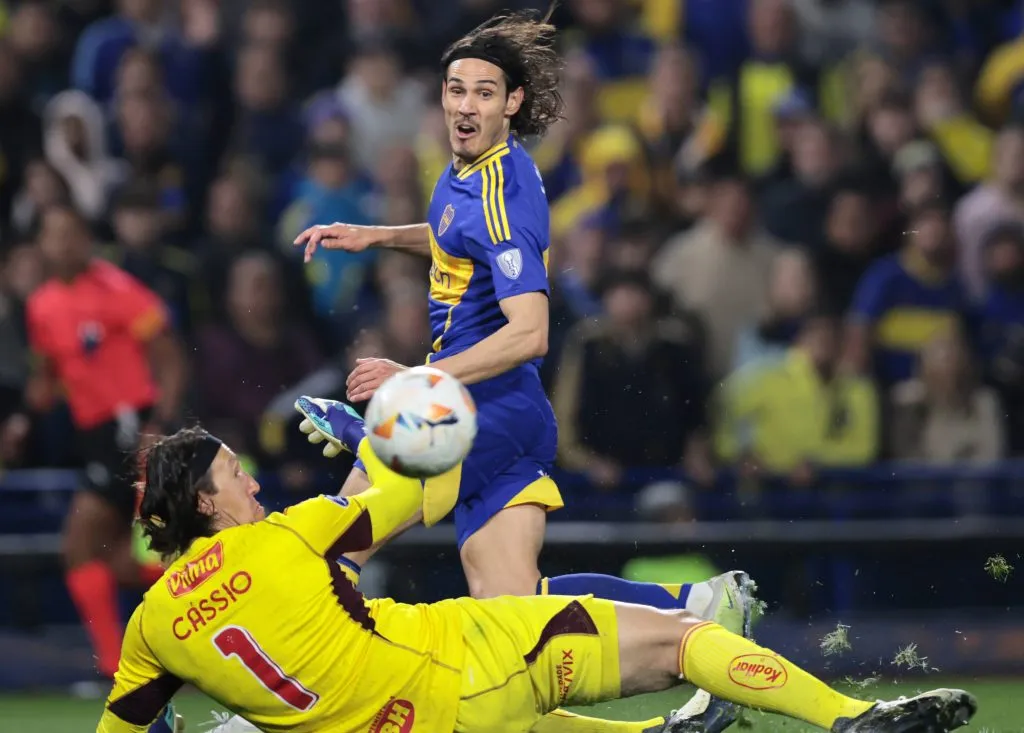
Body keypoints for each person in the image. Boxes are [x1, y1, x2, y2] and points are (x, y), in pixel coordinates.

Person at [293, 5, 748, 628]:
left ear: (513, 103)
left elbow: (531, 333)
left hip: (478, 411)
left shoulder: (503, 192)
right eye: (456, 90)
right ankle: (698, 606)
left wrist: (415, 380)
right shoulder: (465, 170)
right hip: (506, 410)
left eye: (484, 93)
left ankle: (267, 716)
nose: (465, 106)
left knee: (330, 548)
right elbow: (458, 237)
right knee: (514, 610)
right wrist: (375, 235)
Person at [96, 426, 977, 733]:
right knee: (678, 643)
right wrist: (381, 428)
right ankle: (851, 717)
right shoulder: (290, 534)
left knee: (538, 723)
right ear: (208, 505)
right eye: (236, 474)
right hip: (459, 665)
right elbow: (426, 485)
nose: (251, 479)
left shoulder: (151, 629)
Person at [3, 205, 186, 692]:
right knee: (124, 560)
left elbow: (169, 360)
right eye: (53, 236)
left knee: (81, 544)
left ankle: (115, 666)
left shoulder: (118, 290)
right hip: (94, 435)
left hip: (130, 425)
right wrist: (21, 421)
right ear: (41, 244)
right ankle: (200, 599)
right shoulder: (41, 305)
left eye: (72, 234)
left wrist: (159, 423)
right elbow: (48, 378)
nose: (63, 245)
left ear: (87, 239)